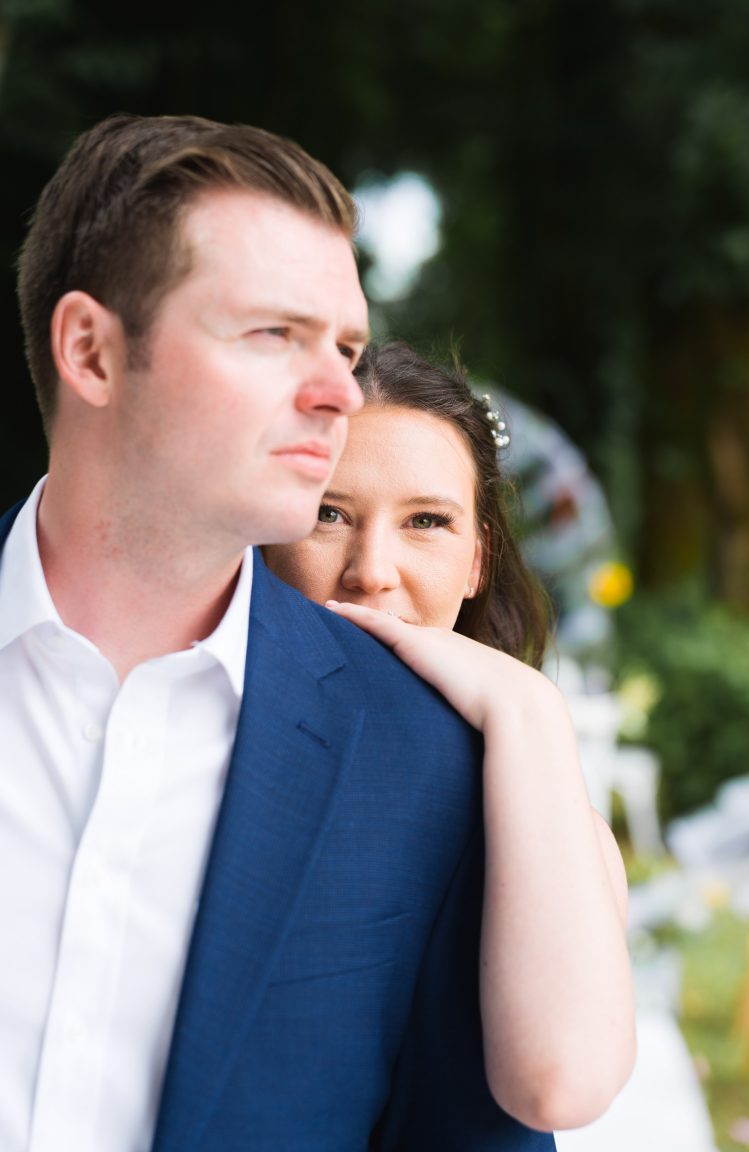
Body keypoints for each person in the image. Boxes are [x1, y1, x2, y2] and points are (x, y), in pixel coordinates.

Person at [0, 113, 555, 1152]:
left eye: (344, 346)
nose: (340, 393)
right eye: (273, 335)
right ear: (91, 351)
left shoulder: (427, 764)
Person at [264, 341, 637, 1126]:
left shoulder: (542, 816)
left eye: (426, 522)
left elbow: (561, 1086)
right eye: (328, 513)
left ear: (476, 561)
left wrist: (527, 706)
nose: (372, 570)